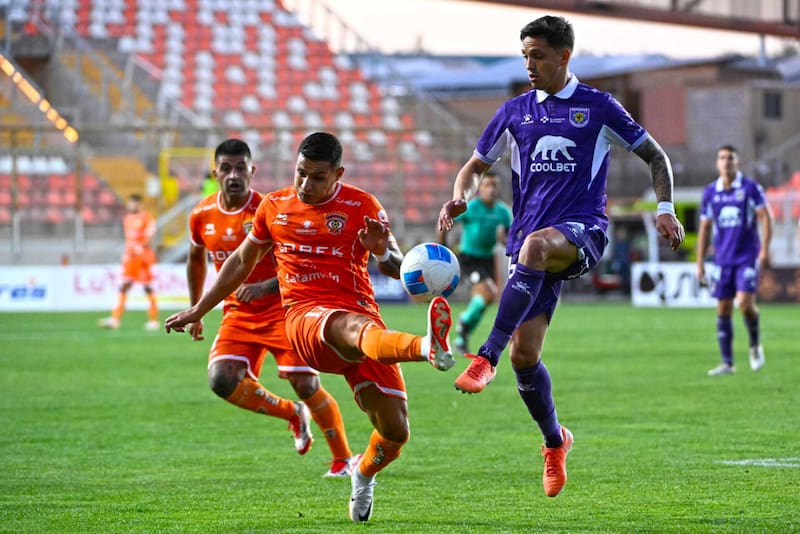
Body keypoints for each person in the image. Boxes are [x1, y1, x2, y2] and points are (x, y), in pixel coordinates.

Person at [438, 15, 685, 499]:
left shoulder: (597, 108)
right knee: (525, 356)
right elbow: (475, 165)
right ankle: (555, 441)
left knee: (532, 252)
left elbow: (657, 156)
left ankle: (484, 354)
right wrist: (460, 196)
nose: (529, 64)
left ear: (564, 56)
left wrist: (665, 209)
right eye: (525, 55)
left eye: (539, 56)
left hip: (582, 232)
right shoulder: (514, 112)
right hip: (531, 246)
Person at [165, 132, 455, 522]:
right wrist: (199, 308)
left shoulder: (362, 205)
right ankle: (425, 347)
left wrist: (382, 249)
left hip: (364, 317)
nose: (306, 184)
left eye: (317, 177)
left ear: (339, 174)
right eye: (301, 173)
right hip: (305, 317)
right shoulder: (275, 206)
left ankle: (363, 473)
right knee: (346, 329)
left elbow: (397, 267)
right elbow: (239, 262)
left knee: (396, 430)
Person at [183, 138, 356, 477]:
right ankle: (292, 413)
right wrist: (196, 309)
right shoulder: (201, 214)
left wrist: (262, 287)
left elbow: (298, 264)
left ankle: (343, 460)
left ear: (252, 170)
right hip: (237, 313)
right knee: (221, 380)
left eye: (240, 168)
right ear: (214, 172)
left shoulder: (270, 209)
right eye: (226, 168)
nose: (233, 175)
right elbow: (195, 259)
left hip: (282, 310)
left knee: (305, 383)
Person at [696, 144, 773, 376]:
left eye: (730, 158)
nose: (726, 161)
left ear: (737, 162)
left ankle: (754, 345)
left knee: (745, 303)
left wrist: (765, 250)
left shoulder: (750, 189)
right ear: (717, 163)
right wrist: (699, 262)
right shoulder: (711, 192)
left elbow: (766, 217)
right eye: (722, 157)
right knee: (723, 307)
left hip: (746, 257)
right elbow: (704, 228)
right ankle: (727, 363)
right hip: (722, 259)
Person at [437, 172, 512, 355]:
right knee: (489, 293)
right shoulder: (471, 207)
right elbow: (445, 220)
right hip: (469, 258)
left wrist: (507, 242)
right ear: (480, 188)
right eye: (487, 185)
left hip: (486, 259)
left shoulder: (502, 212)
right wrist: (442, 248)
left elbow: (508, 237)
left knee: (485, 300)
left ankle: (462, 336)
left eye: (494, 185)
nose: (491, 189)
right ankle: (463, 321)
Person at [99, 193, 159, 330]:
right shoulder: (127, 219)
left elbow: (149, 237)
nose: (132, 206)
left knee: (147, 287)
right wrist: (127, 253)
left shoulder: (147, 218)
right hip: (131, 258)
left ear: (140, 204)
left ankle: (153, 320)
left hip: (143, 257)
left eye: (134, 203)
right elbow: (129, 240)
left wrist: (139, 247)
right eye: (130, 203)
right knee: (124, 286)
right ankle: (115, 319)